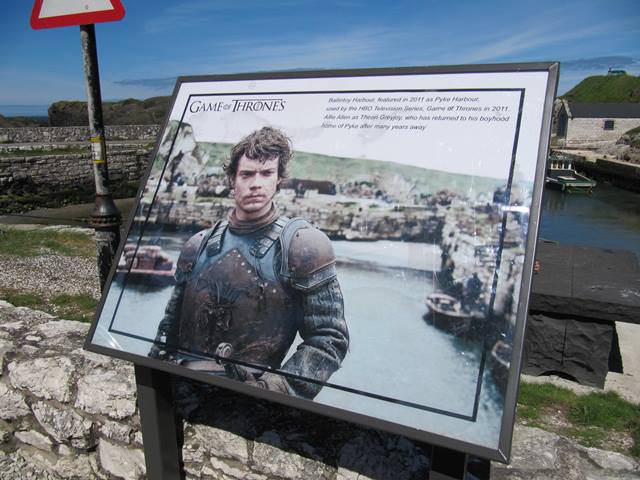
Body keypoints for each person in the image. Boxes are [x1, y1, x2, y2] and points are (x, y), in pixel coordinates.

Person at [149, 126, 349, 400]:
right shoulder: (198, 245)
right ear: (232, 179)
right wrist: (154, 382)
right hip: (181, 386)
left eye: (266, 173)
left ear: (278, 179)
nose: (257, 183)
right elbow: (168, 329)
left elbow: (328, 339)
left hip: (248, 398)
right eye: (247, 174)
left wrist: (275, 390)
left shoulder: (302, 246)